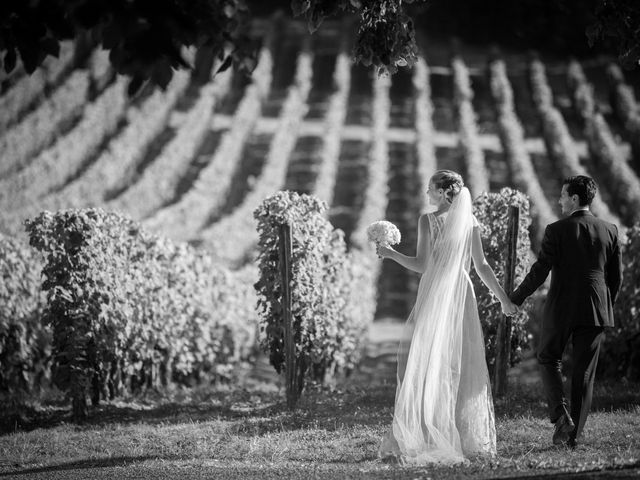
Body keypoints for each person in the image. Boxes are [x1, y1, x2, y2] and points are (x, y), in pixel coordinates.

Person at [376, 169, 518, 464]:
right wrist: (503, 299)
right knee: (458, 362)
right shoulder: (470, 221)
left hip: (437, 290)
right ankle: (462, 435)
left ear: (442, 192)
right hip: (462, 293)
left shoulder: (427, 220)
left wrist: (390, 254)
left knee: (424, 360)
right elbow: (481, 267)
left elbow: (421, 265)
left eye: (430, 189)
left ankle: (428, 432)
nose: (427, 194)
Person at [510, 175, 622, 448]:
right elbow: (616, 278)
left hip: (562, 306)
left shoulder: (556, 230)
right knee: (584, 373)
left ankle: (561, 415)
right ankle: (573, 437)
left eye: (562, 195)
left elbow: (540, 271)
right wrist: (606, 304)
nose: (559, 200)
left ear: (574, 198)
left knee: (548, 357)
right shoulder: (610, 230)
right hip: (596, 308)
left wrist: (516, 297)